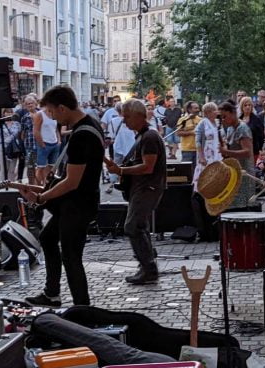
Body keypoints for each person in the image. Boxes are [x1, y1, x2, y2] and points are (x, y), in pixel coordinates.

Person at [23, 85, 105, 307]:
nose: (51, 117)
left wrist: (42, 197)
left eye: (51, 111)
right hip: (77, 203)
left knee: (71, 255)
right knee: (48, 239)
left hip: (78, 204)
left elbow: (72, 182)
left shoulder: (82, 135)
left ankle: (82, 307)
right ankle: (52, 294)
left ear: (62, 108)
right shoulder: (88, 126)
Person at [106, 99, 166, 284]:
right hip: (142, 188)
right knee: (139, 226)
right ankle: (147, 266)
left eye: (127, 117)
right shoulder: (143, 136)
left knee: (133, 226)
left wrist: (121, 171)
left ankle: (148, 268)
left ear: (139, 116)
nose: (124, 121)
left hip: (147, 188)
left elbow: (148, 167)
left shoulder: (148, 137)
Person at [192, 102, 223, 241]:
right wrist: (201, 156)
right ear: (209, 111)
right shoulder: (203, 124)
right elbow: (198, 141)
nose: (217, 112)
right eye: (215, 110)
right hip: (207, 156)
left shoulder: (217, 123)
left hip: (217, 155)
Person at [218, 102, 255, 210]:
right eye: (221, 117)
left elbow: (247, 152)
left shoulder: (242, 128)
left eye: (225, 116)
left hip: (245, 172)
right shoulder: (230, 128)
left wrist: (226, 151)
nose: (223, 120)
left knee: (243, 208)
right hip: (235, 172)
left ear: (233, 113)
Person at [33, 107, 61, 185]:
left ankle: (48, 186)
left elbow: (56, 129)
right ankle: (37, 188)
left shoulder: (54, 113)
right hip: (44, 144)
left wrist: (59, 140)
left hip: (55, 144)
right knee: (40, 168)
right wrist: (42, 144)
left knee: (52, 168)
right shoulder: (40, 114)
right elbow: (36, 131)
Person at [176, 101, 201, 169]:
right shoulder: (183, 120)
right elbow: (178, 133)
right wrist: (191, 132)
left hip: (199, 150)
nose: (198, 110)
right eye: (195, 108)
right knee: (187, 170)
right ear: (189, 109)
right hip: (187, 150)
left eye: (198, 108)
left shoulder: (201, 120)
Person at [239, 96, 265, 161]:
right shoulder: (238, 120)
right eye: (245, 105)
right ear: (242, 107)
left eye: (249, 105)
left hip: (254, 151)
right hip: (240, 151)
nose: (247, 107)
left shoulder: (257, 120)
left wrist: (261, 149)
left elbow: (261, 136)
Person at [0, 108, 22, 181]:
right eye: (7, 112)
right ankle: (2, 186)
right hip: (1, 147)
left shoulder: (17, 124)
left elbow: (19, 135)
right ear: (4, 113)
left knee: (12, 169)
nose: (8, 114)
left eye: (10, 112)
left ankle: (11, 185)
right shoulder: (0, 123)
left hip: (13, 148)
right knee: (3, 168)